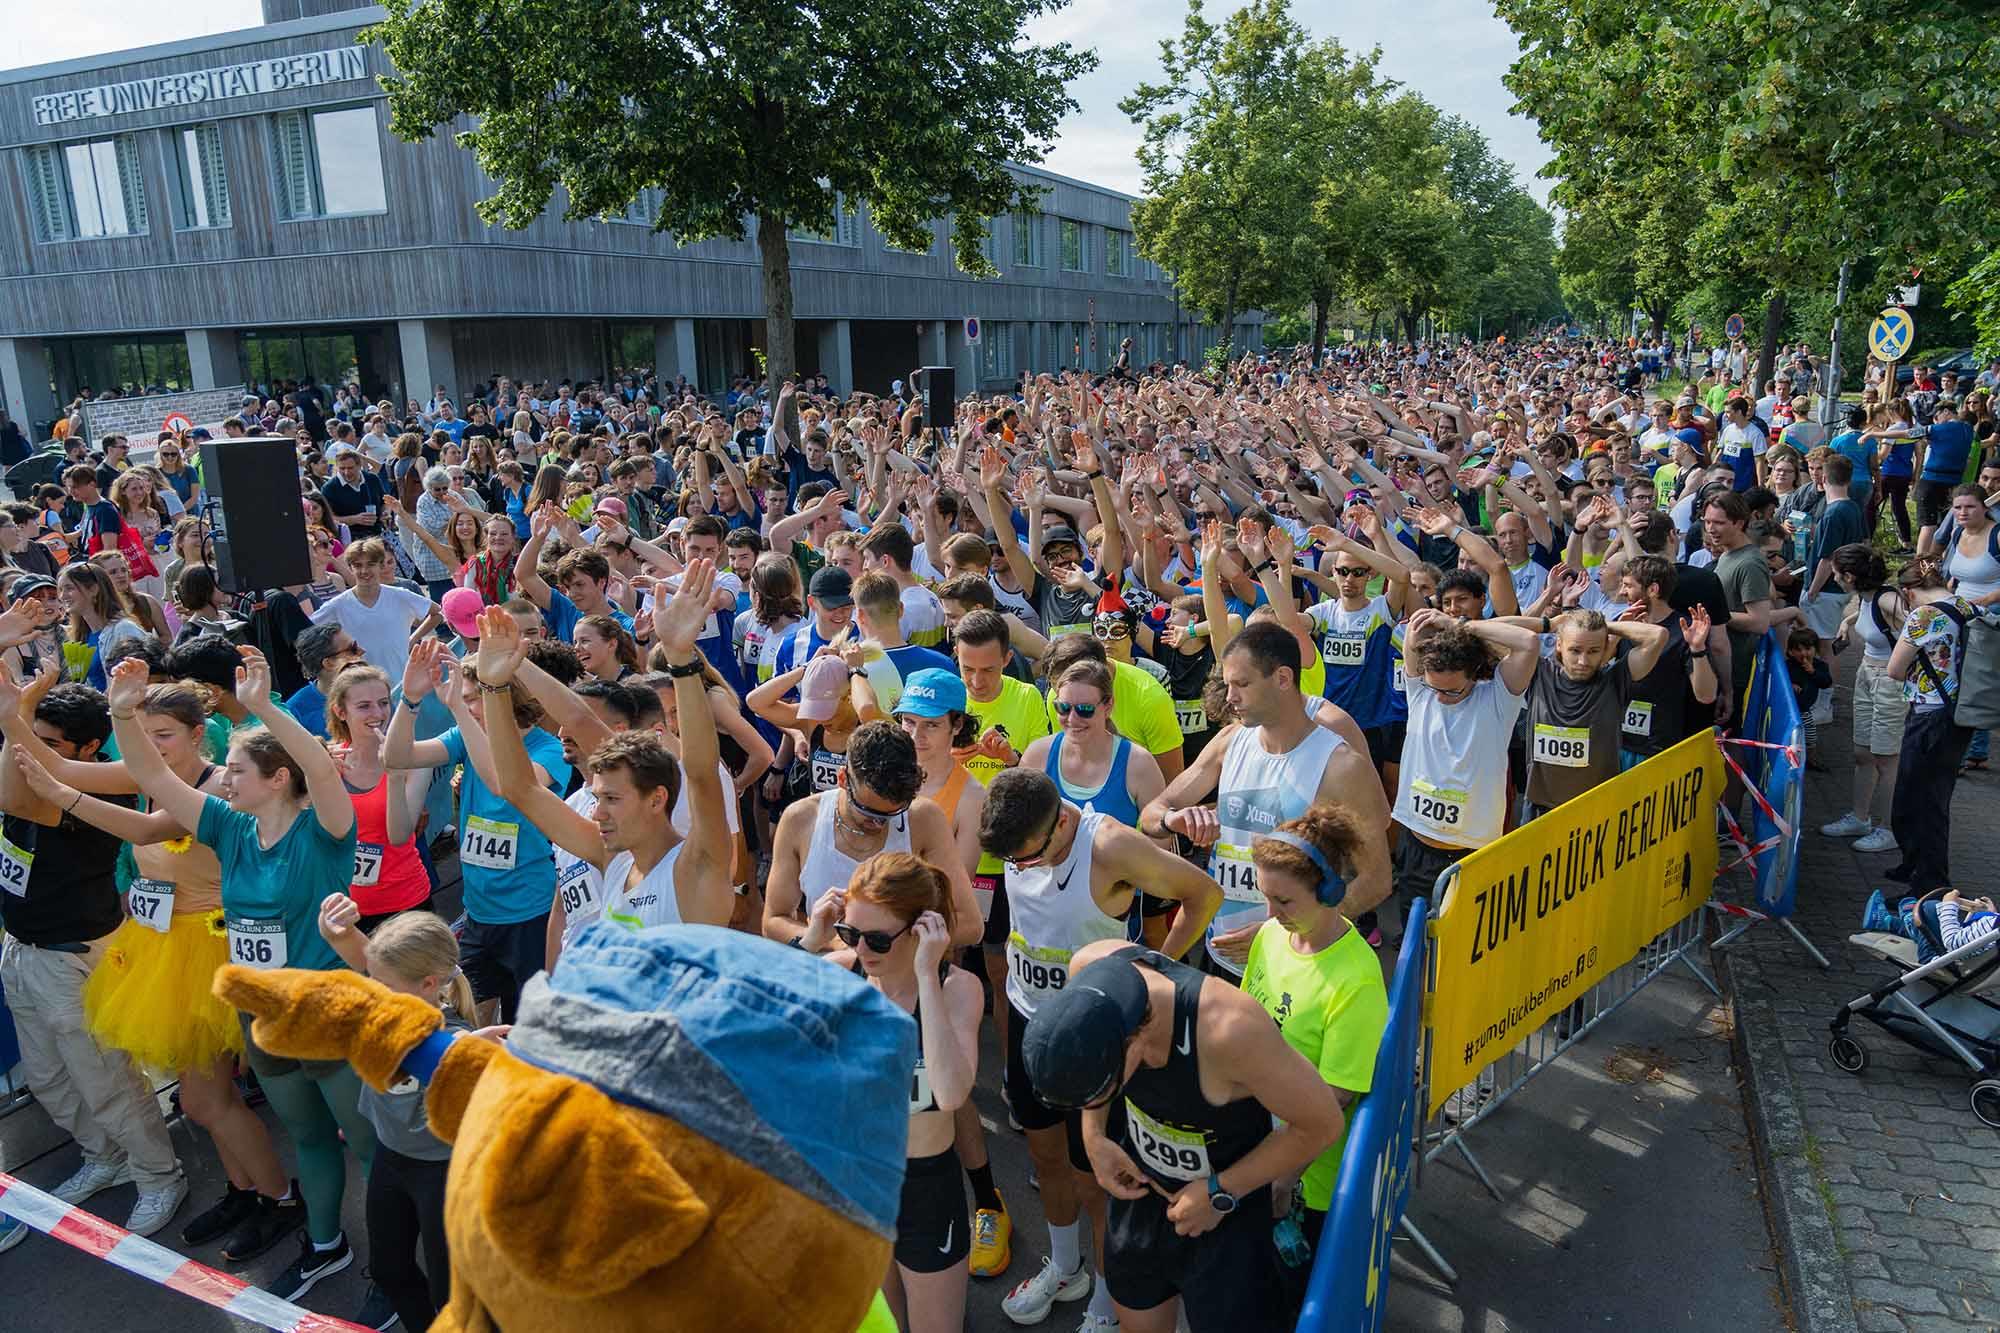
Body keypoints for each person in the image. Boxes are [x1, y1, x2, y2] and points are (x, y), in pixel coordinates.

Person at [106, 648, 382, 1313]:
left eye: (236, 770)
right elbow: (151, 773)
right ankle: (326, 1244)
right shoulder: (229, 829)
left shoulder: (325, 831)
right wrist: (121, 713)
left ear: (278, 778)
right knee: (308, 1138)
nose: (223, 779)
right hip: (261, 1018)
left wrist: (262, 707)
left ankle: (394, 1266)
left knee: (372, 1151)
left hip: (328, 1015)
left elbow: (321, 767)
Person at [1, 678, 295, 1259]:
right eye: (140, 733)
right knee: (204, 1100)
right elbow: (54, 765)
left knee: (209, 1102)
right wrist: (14, 714)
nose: (151, 745)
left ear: (197, 734)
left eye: (164, 734)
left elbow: (143, 827)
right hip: (166, 951)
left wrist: (61, 795)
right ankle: (244, 1192)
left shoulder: (220, 789)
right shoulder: (144, 776)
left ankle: (282, 1200)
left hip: (214, 955)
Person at [977, 768, 1223, 1333]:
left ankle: (1107, 1301)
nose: (1022, 869)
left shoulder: (1109, 845)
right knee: (1044, 1158)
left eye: (1028, 858)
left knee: (1095, 1181)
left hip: (1094, 1037)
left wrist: (1151, 970)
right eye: (1013, 863)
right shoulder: (1022, 824)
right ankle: (1066, 1268)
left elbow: (1204, 894)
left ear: (1063, 822)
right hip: (1028, 1016)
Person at [1019, 938, 1346, 1333]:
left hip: (1226, 1223)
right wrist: (1094, 1136)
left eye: (1104, 1091)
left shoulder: (1229, 1028)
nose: (1096, 1103)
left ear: (1133, 1041)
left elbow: (1322, 1123)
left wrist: (1221, 1192)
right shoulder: (1088, 970)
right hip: (1141, 1203)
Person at [0, 680, 185, 1254]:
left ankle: (159, 1175)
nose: (33, 748)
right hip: (23, 948)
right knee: (50, 1078)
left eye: (50, 742)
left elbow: (18, 801)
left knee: (107, 1080)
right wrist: (17, 709)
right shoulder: (24, 766)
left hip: (72, 955)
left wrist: (14, 714)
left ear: (88, 748)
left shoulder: (105, 789)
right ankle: (104, 1158)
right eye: (31, 735)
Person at [472, 571, 734, 936]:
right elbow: (520, 789)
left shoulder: (697, 867)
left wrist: (680, 659)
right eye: (598, 798)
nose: (597, 813)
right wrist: (494, 686)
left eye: (611, 798)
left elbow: (702, 772)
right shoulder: (615, 861)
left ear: (657, 799)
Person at [1139, 622, 1390, 977]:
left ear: (1283, 678)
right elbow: (1152, 814)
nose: (1229, 697)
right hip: (1222, 956)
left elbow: (1376, 879)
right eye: (1228, 684)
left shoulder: (1339, 765)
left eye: (1242, 684)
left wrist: (1285, 932)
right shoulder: (1229, 741)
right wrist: (1172, 821)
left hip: (1294, 968)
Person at [797, 854, 981, 1333]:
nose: (862, 949)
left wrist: (926, 977)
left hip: (925, 1188)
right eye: (850, 933)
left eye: (877, 939)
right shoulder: (840, 974)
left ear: (920, 930)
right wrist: (811, 941)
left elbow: (950, 1092)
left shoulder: (957, 989)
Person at [887, 667, 1011, 1278]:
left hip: (933, 968)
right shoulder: (885, 774)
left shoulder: (971, 796)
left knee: (946, 1091)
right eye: (908, 722)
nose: (916, 736)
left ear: (956, 726)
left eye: (930, 725)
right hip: (876, 962)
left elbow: (951, 906)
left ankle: (988, 1201)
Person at [385, 638, 571, 1024]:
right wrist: (411, 699)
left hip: (530, 914)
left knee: (526, 1025)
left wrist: (457, 709)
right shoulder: (465, 738)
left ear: (505, 694)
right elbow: (397, 755)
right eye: (464, 698)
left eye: (474, 698)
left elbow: (506, 784)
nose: (466, 706)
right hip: (479, 912)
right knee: (467, 1017)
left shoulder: (549, 750)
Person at [314, 902, 474, 1333]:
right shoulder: (394, 995)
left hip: (443, 1175)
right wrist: (333, 928)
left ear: (428, 985)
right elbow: (362, 954)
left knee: (451, 1298)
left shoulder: (450, 1037)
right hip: (392, 1158)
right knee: (389, 1270)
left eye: (382, 985)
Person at [1240, 803, 1387, 1271]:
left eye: (1283, 902)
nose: (1270, 913)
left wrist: (1284, 1178)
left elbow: (1335, 1097)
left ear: (1329, 891)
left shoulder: (1357, 979)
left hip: (1305, 1184)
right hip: (1253, 1153)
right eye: (1266, 897)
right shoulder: (1270, 936)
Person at [1884, 560, 1978, 894]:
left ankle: (1929, 885)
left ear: (1907, 592)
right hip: (1960, 712)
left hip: (1928, 714)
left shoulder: (1923, 616)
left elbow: (1895, 670)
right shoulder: (1967, 607)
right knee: (1933, 796)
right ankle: (1914, 866)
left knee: (1920, 802)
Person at [324, 664, 435, 927]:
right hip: (346, 907)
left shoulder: (416, 759)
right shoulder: (327, 761)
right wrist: (318, 774)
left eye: (383, 703)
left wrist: (394, 775)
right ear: (341, 712)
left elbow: (400, 835)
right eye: (364, 706)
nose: (378, 713)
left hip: (406, 903)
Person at [1823, 545, 1906, 853]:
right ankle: (1860, 817)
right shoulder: (1868, 597)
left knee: (1886, 758)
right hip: (1866, 674)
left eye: (1836, 573)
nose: (1833, 578)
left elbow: (1919, 623)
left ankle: (1889, 828)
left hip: (1889, 681)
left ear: (1849, 576)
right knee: (1863, 753)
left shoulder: (1888, 598)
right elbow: (1869, 612)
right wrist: (1847, 622)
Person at [309, 537, 441, 678]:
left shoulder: (400, 595)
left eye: (370, 564)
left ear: (380, 565)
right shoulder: (338, 604)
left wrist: (413, 638)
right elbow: (308, 631)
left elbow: (437, 614)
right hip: (362, 681)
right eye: (358, 565)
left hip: (403, 678)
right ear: (351, 568)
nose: (364, 571)